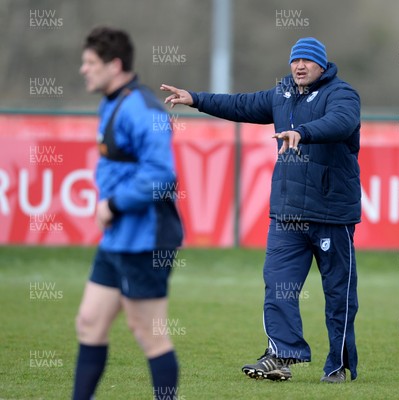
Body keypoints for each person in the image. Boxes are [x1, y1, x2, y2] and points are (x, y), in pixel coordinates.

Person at [161, 37, 360, 383]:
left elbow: (342, 123)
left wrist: (303, 132)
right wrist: (195, 99)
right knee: (278, 284)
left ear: (323, 66)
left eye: (307, 61)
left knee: (338, 295)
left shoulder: (342, 94)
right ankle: (282, 354)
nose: (299, 66)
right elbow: (239, 105)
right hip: (287, 214)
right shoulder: (281, 94)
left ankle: (338, 365)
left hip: (331, 214)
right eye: (295, 60)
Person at [73, 27, 183, 399]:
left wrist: (113, 204)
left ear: (114, 65)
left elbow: (162, 174)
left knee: (149, 334)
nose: (83, 70)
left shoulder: (141, 108)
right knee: (89, 323)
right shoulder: (112, 100)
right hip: (118, 237)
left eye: (90, 63)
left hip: (146, 239)